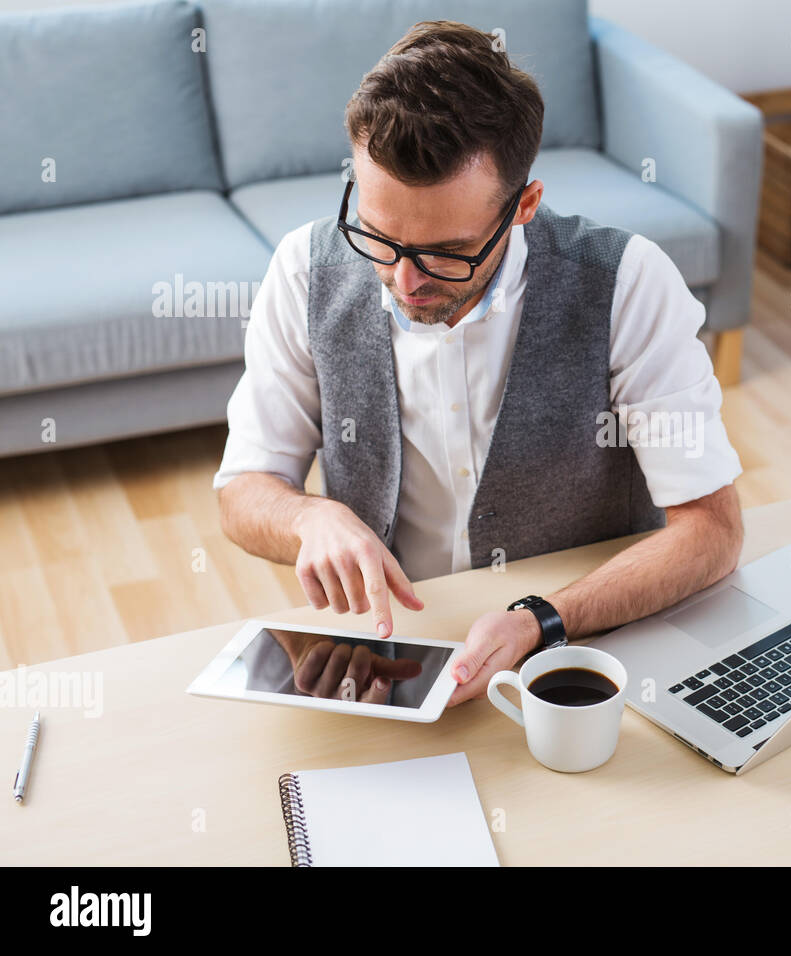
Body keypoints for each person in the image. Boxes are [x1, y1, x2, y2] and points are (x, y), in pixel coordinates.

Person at [215, 20, 744, 706]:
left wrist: (541, 621)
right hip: (396, 655)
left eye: (445, 252)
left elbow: (712, 529)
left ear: (524, 206)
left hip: (587, 652)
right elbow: (243, 489)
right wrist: (308, 519)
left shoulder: (628, 282)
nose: (404, 282)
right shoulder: (303, 270)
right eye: (378, 238)